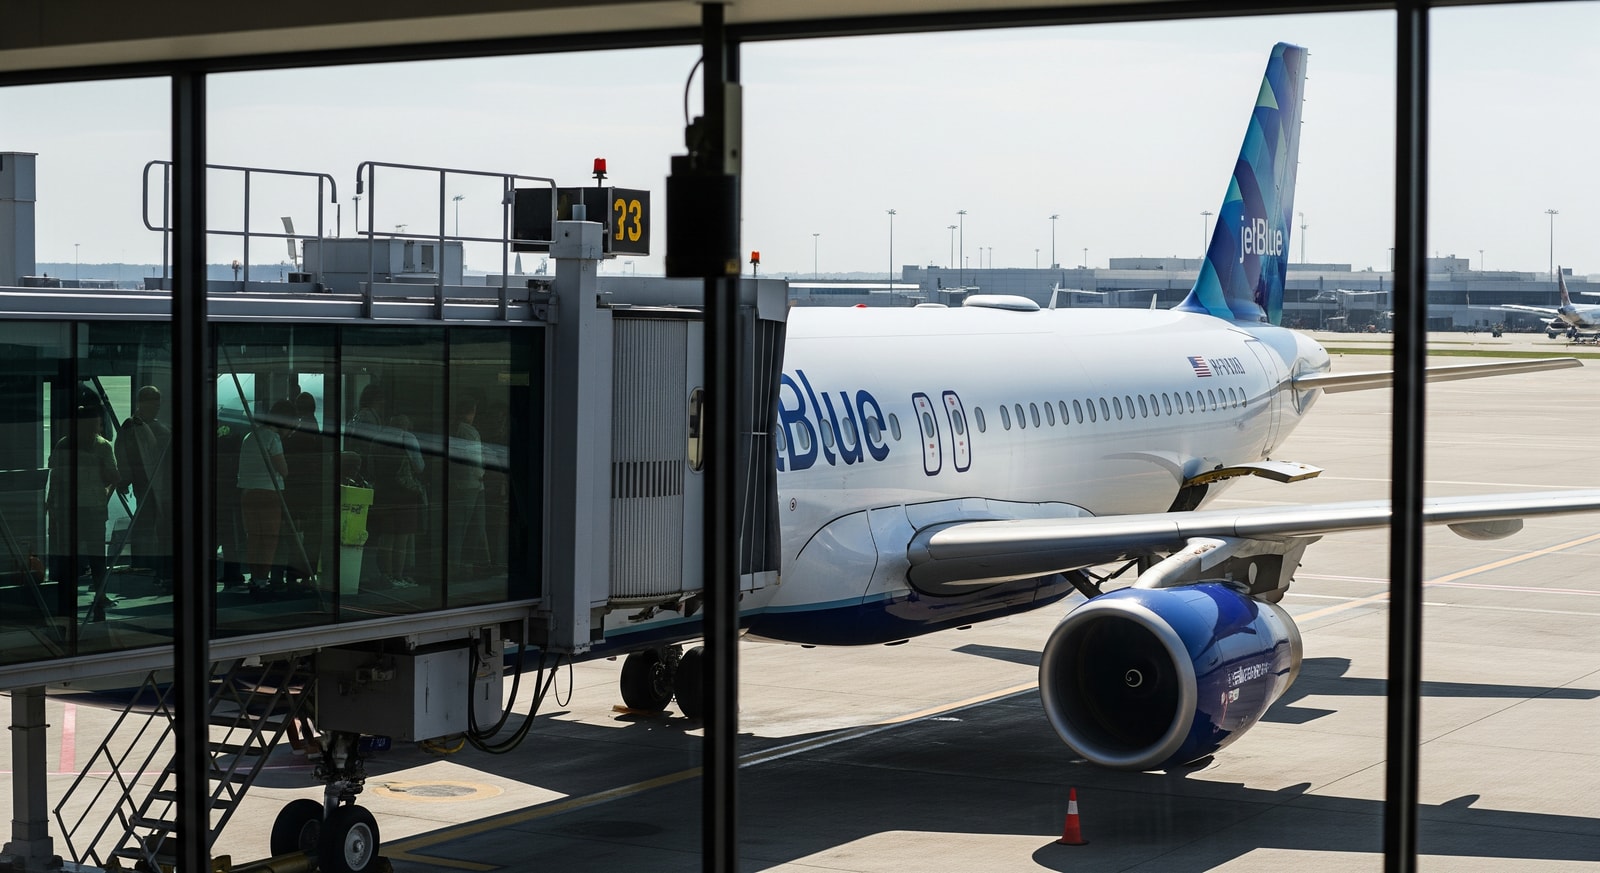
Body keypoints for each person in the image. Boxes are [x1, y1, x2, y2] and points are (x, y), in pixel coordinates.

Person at [47, 405, 120, 598]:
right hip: (75, 508)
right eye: (93, 425)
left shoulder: (97, 446)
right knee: (82, 554)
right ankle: (90, 594)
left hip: (88, 507)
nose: (97, 429)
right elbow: (55, 476)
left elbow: (114, 477)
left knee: (92, 555)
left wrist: (104, 497)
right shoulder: (71, 445)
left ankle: (96, 594)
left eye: (97, 425)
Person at [114, 385, 173, 590]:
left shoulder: (158, 426)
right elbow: (122, 454)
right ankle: (143, 564)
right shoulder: (132, 426)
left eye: (158, 405)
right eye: (152, 404)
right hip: (146, 481)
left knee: (161, 526)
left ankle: (158, 565)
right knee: (146, 524)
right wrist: (124, 480)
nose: (156, 408)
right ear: (141, 403)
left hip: (163, 481)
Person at [238, 400, 293, 594]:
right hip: (269, 492)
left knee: (253, 537)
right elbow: (283, 469)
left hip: (248, 492)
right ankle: (262, 578)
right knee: (269, 539)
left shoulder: (249, 436)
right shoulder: (272, 438)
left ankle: (255, 577)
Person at [282, 391, 330, 587]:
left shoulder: (296, 432)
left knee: (295, 532)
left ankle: (294, 571)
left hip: (296, 487)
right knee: (311, 534)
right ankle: (307, 572)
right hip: (313, 488)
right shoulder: (316, 431)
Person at [448, 395, 488, 577]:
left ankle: (460, 565)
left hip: (463, 484)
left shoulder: (454, 429)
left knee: (462, 527)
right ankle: (460, 566)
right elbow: (474, 459)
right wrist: (481, 474)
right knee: (468, 527)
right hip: (472, 484)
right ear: (471, 412)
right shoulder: (469, 432)